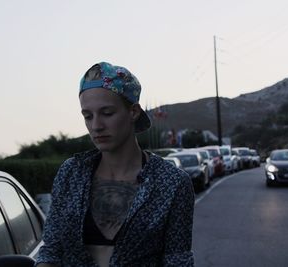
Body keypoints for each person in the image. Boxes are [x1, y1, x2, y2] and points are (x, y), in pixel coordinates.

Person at [35, 62, 195, 267]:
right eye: (87, 116)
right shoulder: (71, 173)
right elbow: (51, 250)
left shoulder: (172, 183)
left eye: (107, 113)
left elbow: (177, 260)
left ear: (134, 112)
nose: (96, 126)